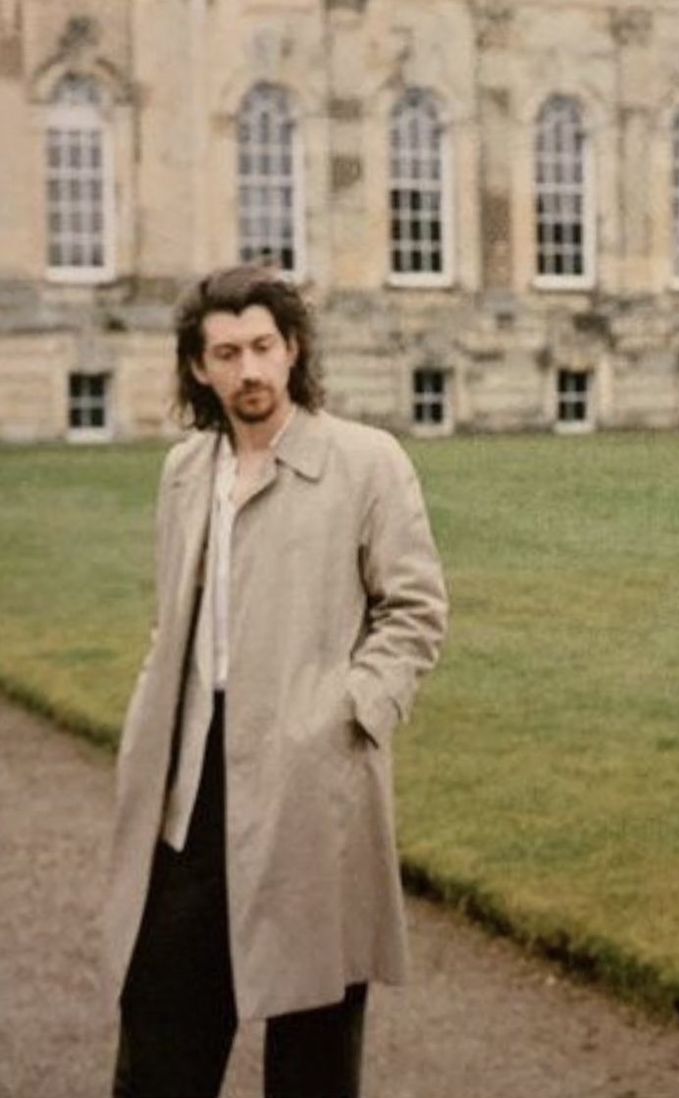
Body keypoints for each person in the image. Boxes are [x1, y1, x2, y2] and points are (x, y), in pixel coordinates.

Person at [105, 264, 448, 1098]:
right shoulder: (187, 470)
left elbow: (414, 613)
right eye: (226, 353)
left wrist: (344, 717)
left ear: (293, 350)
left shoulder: (367, 462)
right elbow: (175, 621)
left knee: (314, 1045)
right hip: (191, 782)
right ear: (198, 367)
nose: (248, 370)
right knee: (161, 1035)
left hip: (308, 778)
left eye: (263, 346)